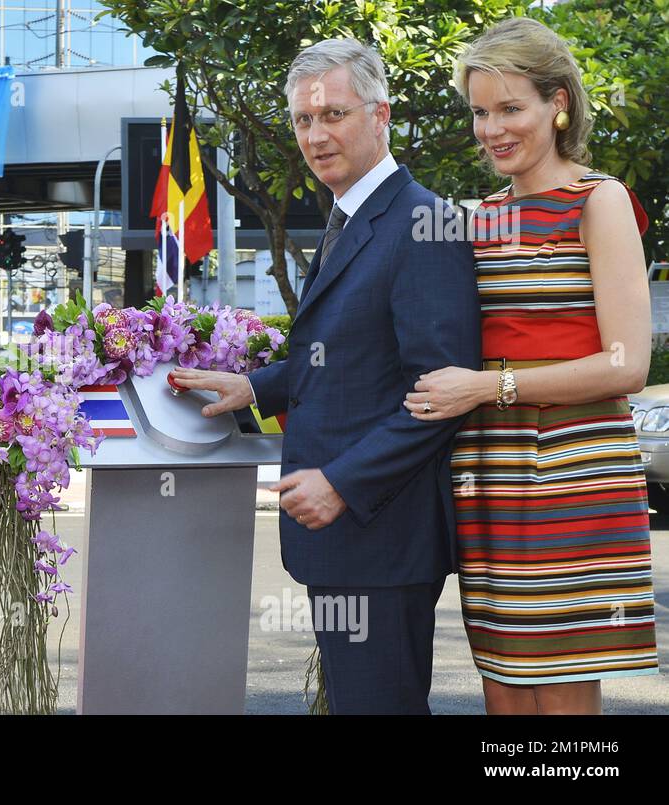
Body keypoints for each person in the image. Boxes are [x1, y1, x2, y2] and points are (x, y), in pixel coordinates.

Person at [171, 38, 481, 713]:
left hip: (381, 537)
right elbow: (346, 358)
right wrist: (255, 387)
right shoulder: (353, 216)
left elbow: (442, 393)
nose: (316, 135)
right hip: (348, 540)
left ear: (381, 115)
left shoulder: (421, 224)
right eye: (304, 120)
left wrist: (343, 481)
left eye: (334, 114)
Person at [402, 17, 658, 714]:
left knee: (561, 706)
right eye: (481, 111)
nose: (492, 129)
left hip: (576, 477)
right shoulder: (476, 217)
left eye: (511, 108)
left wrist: (491, 385)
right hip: (489, 478)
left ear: (559, 103)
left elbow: (627, 363)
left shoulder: (597, 202)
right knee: (505, 695)